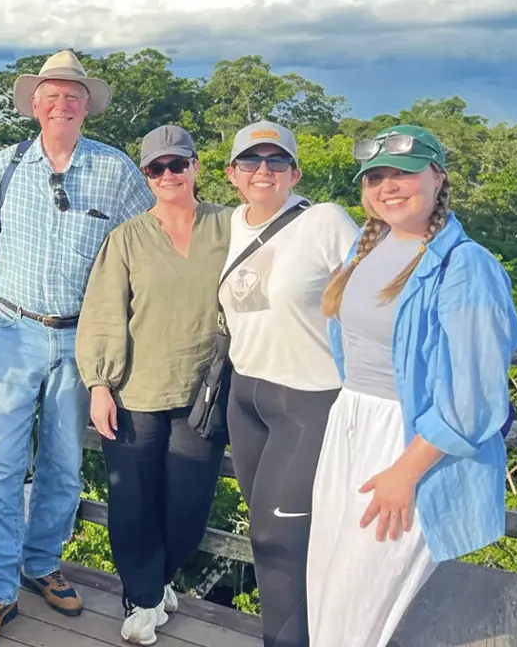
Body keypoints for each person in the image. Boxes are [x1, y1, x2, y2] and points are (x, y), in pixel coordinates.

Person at [0, 50, 155, 646]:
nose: (63, 102)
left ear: (86, 104)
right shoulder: (4, 165)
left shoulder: (116, 171)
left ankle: (40, 564)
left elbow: (146, 248)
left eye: (74, 94)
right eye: (52, 93)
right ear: (35, 103)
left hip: (82, 338)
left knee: (64, 465)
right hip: (11, 331)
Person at [307, 125, 517, 646]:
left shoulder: (466, 266)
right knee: (323, 591)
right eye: (375, 177)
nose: (388, 186)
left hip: (410, 443)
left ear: (438, 176)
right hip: (349, 426)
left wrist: (405, 473)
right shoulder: (365, 244)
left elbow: (475, 399)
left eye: (403, 173)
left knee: (357, 606)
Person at [76, 125, 231, 645]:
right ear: (146, 175)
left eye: (177, 165)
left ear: (196, 166)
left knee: (188, 505)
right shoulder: (126, 238)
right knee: (134, 501)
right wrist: (99, 384)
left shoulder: (230, 227)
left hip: (203, 394)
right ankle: (141, 596)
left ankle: (160, 577)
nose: (168, 175)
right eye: (156, 168)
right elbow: (102, 313)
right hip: (135, 392)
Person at [218, 121, 360, 647]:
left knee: (278, 536)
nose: (263, 171)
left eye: (276, 161)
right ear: (232, 174)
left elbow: (371, 292)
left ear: (295, 172)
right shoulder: (230, 224)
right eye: (251, 161)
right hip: (245, 396)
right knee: (269, 537)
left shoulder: (324, 221)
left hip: (309, 399)